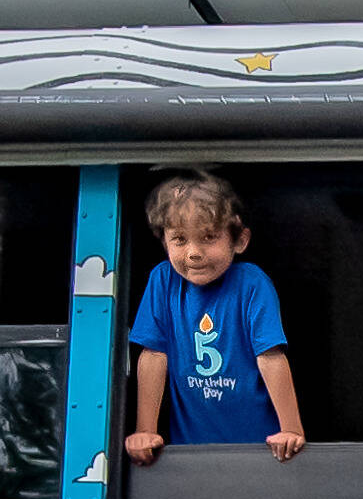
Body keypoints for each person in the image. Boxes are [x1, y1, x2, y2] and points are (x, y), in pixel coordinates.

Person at [123, 171, 306, 466]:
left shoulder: (251, 283)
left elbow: (270, 356)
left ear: (239, 240)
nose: (193, 253)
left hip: (263, 453)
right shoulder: (163, 280)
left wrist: (291, 429)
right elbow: (154, 354)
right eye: (180, 239)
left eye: (208, 237)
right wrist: (146, 430)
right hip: (189, 457)